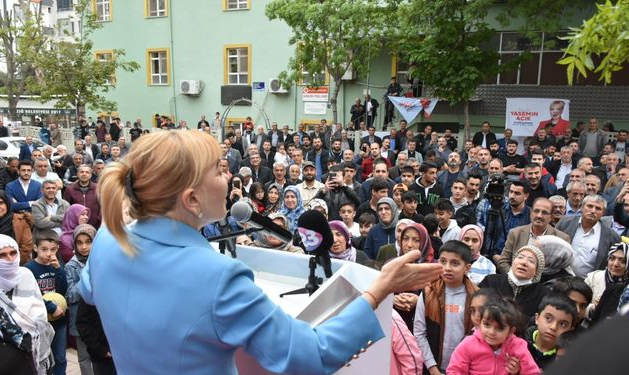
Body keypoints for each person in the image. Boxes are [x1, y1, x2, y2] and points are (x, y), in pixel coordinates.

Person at [77, 130, 444, 374]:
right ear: (191, 199)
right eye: (219, 170)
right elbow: (312, 354)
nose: (228, 179)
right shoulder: (216, 276)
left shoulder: (109, 239)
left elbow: (89, 289)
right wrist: (380, 290)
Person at [0, 234, 54, 373]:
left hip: (33, 350)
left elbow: (39, 312)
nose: (10, 259)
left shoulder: (26, 274)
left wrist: (24, 332)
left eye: (13, 253)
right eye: (2, 255)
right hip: (3, 358)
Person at [413, 240, 478, 375]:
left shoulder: (477, 297)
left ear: (467, 268)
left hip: (466, 368)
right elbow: (419, 333)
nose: (447, 267)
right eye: (443, 261)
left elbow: (480, 334)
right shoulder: (428, 293)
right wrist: (432, 367)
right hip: (434, 366)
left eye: (455, 263)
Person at [446, 298, 541, 375]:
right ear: (479, 323)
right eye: (487, 324)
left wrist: (519, 372)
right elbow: (454, 370)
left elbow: (532, 372)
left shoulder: (517, 346)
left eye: (499, 328)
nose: (491, 332)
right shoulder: (468, 344)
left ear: (510, 331)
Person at [24, 230, 68, 375]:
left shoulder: (56, 265)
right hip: (40, 322)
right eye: (44, 249)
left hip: (59, 320)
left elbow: (62, 290)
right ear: (35, 248)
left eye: (53, 249)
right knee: (42, 358)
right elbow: (31, 295)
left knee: (60, 357)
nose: (49, 253)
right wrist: (50, 306)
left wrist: (58, 270)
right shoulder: (28, 269)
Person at [480, 246, 550, 320]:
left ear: (537, 271)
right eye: (520, 257)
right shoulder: (490, 281)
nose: (524, 263)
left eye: (531, 261)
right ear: (513, 262)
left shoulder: (544, 295)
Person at [64, 224, 97, 375]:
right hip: (81, 319)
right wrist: (86, 274)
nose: (84, 247)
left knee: (102, 355)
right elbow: (70, 296)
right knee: (84, 357)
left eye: (88, 242)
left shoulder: (102, 260)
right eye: (79, 242)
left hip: (101, 318)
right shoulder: (71, 266)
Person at [524, 294, 577, 370]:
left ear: (570, 329)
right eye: (548, 318)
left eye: (562, 324)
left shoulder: (565, 358)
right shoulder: (519, 339)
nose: (553, 327)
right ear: (537, 318)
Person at [584, 242, 629, 321]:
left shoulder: (627, 289)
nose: (615, 264)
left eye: (623, 261)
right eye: (612, 258)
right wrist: (594, 307)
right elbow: (576, 307)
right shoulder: (593, 278)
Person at [0, 189, 33, 265]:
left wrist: (11, 265)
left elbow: (26, 247)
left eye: (1, 203)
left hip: (16, 265)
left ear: (7, 204)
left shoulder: (20, 221)